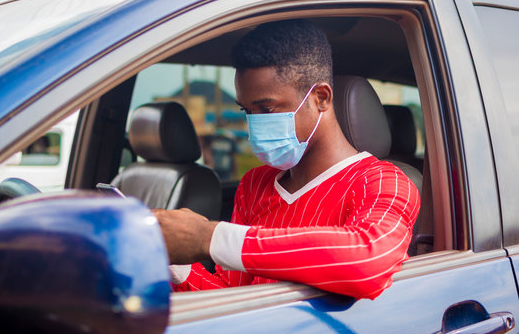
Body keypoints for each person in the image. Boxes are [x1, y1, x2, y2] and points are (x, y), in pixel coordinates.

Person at [153, 19, 420, 299]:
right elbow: (232, 295)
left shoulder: (384, 182)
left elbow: (369, 260)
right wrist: (173, 260)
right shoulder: (255, 184)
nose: (254, 125)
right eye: (247, 111)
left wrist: (209, 237)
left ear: (321, 98)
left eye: (267, 109)